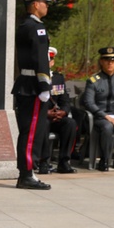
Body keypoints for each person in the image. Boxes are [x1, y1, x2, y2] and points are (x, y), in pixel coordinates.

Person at [11, 0, 52, 189]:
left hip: (26, 85)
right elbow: (39, 58)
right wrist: (44, 85)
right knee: (31, 131)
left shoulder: (25, 25)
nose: (47, 6)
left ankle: (27, 173)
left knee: (29, 131)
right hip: (34, 87)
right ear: (36, 4)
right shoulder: (36, 28)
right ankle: (27, 174)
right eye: (45, 2)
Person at [38, 46, 78, 174]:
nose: (47, 63)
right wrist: (45, 113)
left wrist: (64, 112)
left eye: (50, 60)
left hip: (56, 116)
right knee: (43, 124)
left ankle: (64, 162)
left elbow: (64, 100)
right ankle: (43, 162)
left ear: (52, 62)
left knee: (70, 123)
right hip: (41, 116)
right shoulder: (34, 77)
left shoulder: (58, 78)